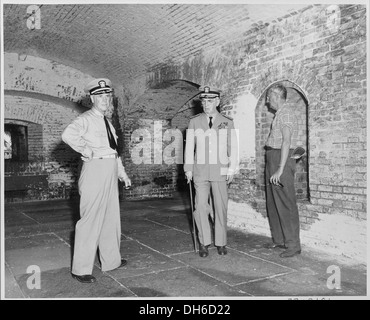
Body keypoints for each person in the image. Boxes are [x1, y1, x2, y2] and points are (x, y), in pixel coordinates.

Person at [62, 78, 131, 283]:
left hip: (110, 169)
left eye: (107, 96)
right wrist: (85, 150)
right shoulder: (86, 119)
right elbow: (67, 135)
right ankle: (80, 268)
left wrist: (123, 174)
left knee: (111, 217)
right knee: (90, 219)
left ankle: (111, 261)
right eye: (100, 96)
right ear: (92, 98)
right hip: (94, 170)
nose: (104, 99)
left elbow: (113, 152)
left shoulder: (107, 122)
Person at [184, 86, 238, 258]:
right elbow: (189, 147)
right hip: (200, 171)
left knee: (220, 207)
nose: (206, 104)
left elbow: (233, 148)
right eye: (204, 101)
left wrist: (232, 168)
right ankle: (204, 242)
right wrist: (188, 168)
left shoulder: (227, 122)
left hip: (220, 170)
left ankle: (221, 242)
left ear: (217, 101)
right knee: (200, 207)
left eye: (210, 101)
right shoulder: (194, 121)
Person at [264, 84, 301, 258]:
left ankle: (293, 246)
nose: (267, 100)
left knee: (286, 203)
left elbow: (287, 142)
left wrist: (279, 169)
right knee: (273, 201)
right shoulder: (280, 114)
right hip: (274, 157)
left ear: (278, 96)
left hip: (282, 159)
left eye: (269, 97)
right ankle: (279, 240)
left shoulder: (286, 113)